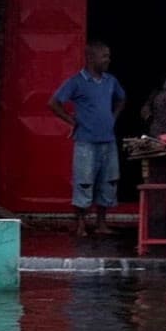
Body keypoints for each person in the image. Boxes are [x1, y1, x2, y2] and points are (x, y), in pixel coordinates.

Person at [49, 41, 126, 237]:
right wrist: (71, 120)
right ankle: (81, 224)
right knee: (83, 182)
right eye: (104, 56)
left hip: (108, 141)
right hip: (85, 141)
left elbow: (121, 98)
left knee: (108, 181)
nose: (108, 60)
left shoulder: (111, 81)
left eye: (108, 56)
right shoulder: (76, 82)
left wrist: (113, 117)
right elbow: (54, 102)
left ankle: (101, 223)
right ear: (91, 58)